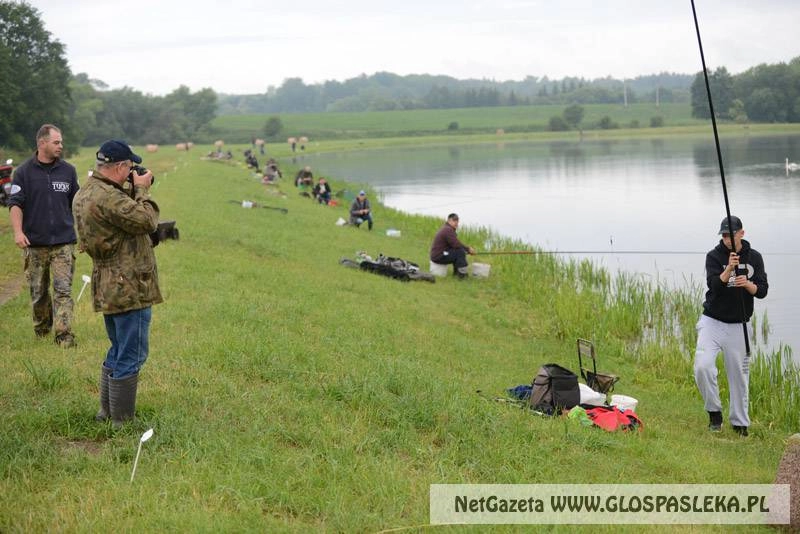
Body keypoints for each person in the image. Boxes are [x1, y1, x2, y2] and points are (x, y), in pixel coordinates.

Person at [72, 140, 162, 428]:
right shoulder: (110, 197)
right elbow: (146, 221)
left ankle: (106, 412)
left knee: (118, 347)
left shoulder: (86, 192)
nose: (132, 172)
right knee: (132, 352)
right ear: (121, 166)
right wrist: (143, 190)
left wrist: (132, 189)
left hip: (108, 281)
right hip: (128, 285)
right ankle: (122, 421)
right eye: (129, 167)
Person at [693, 216, 768, 437]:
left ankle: (740, 424)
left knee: (739, 376)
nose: (727, 239)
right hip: (712, 321)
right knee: (703, 366)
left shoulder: (755, 257)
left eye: (730, 235)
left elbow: (762, 291)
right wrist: (729, 270)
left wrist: (748, 284)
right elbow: (714, 285)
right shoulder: (714, 256)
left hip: (740, 324)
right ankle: (714, 412)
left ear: (741, 234)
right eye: (724, 236)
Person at [7, 124, 79, 347]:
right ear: (42, 143)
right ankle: (42, 329)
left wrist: (84, 235)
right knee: (39, 292)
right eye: (56, 142)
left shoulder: (68, 171)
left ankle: (64, 335)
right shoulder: (23, 173)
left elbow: (77, 205)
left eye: (61, 142)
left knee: (63, 290)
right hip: (35, 243)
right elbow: (15, 204)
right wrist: (18, 232)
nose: (61, 146)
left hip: (64, 242)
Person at [429, 213, 475, 278]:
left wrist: (467, 250)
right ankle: (462, 275)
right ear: (449, 220)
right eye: (454, 220)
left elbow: (454, 245)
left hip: (439, 254)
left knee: (458, 251)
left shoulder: (447, 228)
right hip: (438, 256)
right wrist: (468, 249)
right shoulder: (448, 230)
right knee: (460, 252)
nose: (456, 223)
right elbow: (456, 244)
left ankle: (456, 274)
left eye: (457, 221)